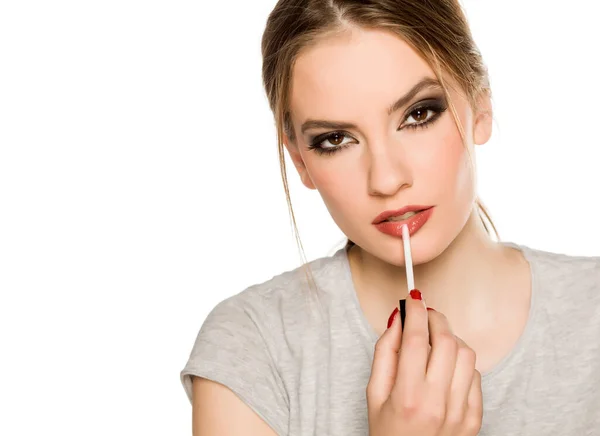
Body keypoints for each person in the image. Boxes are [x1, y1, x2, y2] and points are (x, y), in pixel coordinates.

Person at [180, 1, 600, 435]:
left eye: (418, 114)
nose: (385, 179)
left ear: (480, 104)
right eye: (335, 139)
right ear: (300, 160)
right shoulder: (253, 348)